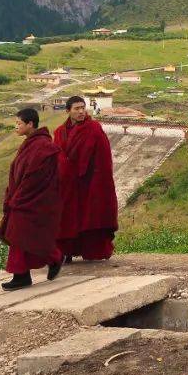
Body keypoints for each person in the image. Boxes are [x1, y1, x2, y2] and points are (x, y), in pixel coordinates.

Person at [0, 108, 63, 290]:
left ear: (30, 124)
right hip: (23, 198)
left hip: (35, 200)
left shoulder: (43, 146)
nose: (16, 127)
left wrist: (18, 199)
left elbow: (35, 177)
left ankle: (23, 275)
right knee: (26, 236)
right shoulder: (30, 143)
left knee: (19, 234)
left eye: (19, 123)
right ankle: (52, 259)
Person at [53, 95, 118, 262]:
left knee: (88, 218)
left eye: (83, 108)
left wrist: (99, 183)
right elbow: (56, 157)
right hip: (67, 183)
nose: (81, 111)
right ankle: (65, 252)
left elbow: (103, 159)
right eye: (77, 109)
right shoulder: (60, 132)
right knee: (65, 218)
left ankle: (92, 251)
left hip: (89, 182)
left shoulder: (94, 128)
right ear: (68, 111)